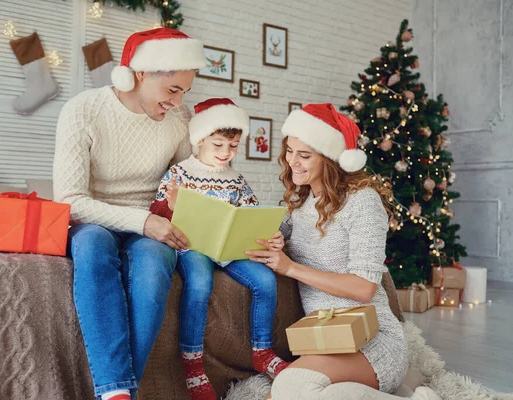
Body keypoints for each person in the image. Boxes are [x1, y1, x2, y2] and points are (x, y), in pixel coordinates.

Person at [246, 104, 441, 400]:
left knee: (289, 387)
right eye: (289, 151)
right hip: (325, 338)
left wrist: (290, 268)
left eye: (305, 155)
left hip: (371, 340)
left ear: (329, 158)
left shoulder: (362, 202)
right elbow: (268, 236)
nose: (292, 162)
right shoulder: (299, 202)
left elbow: (364, 288)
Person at [53, 28, 205, 400]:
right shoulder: (83, 110)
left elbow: (191, 181)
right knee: (91, 246)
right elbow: (70, 200)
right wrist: (144, 221)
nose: (178, 101)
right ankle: (120, 390)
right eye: (172, 90)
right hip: (93, 220)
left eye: (184, 91)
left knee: (155, 263)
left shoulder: (178, 120)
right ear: (141, 73)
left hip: (150, 227)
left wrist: (187, 198)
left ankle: (117, 392)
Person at [149, 98, 290, 400]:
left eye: (234, 146)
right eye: (219, 145)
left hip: (228, 249)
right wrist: (170, 207)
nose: (226, 153)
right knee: (200, 283)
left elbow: (252, 216)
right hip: (193, 246)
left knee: (265, 280)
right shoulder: (179, 173)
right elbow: (156, 215)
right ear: (200, 139)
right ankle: (193, 362)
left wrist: (273, 235)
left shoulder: (236, 180)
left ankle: (261, 351)